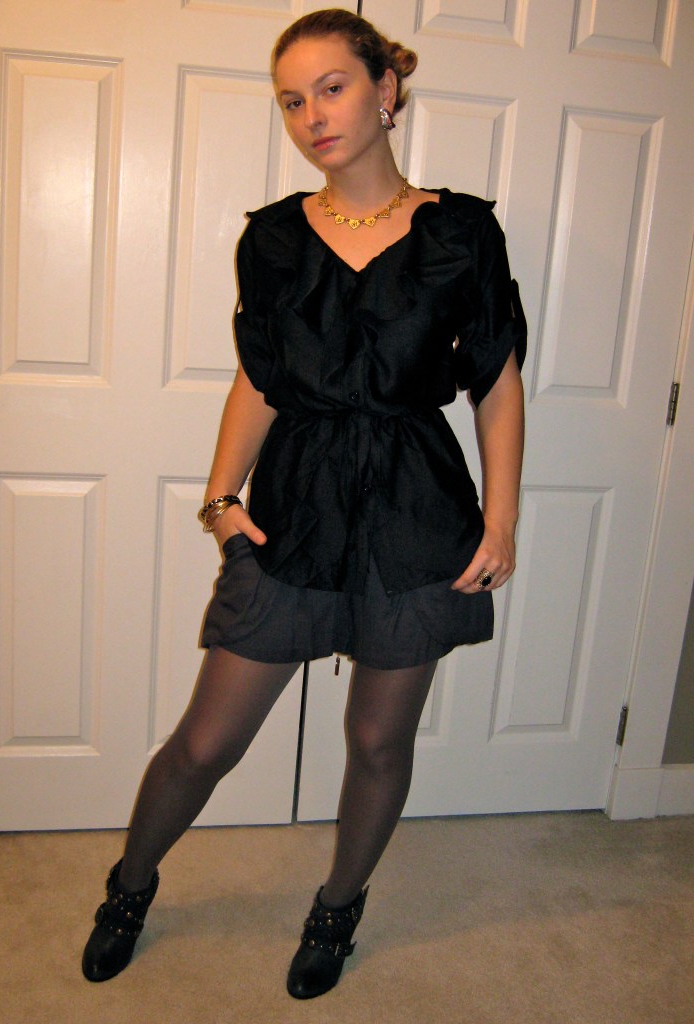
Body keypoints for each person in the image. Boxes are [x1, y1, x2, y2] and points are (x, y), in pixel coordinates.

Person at [81, 8, 526, 1001]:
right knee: (207, 742)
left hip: (414, 506)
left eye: (332, 87)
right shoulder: (275, 239)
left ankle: (338, 907)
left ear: (386, 90)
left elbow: (496, 379)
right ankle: (130, 883)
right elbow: (261, 377)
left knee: (377, 740)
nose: (312, 115)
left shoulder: (461, 233)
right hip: (297, 505)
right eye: (292, 100)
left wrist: (501, 518)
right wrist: (220, 497)